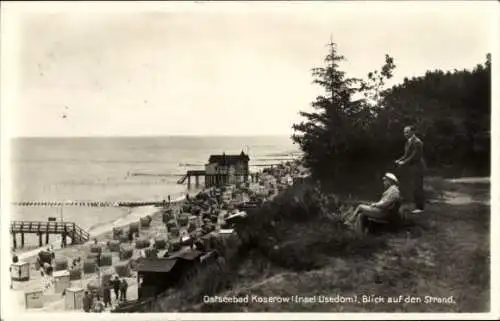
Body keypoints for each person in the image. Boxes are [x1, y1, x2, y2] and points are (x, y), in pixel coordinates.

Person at [395, 125, 426, 213]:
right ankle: (416, 205)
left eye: (407, 132)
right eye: (404, 132)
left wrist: (403, 163)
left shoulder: (417, 142)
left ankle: (420, 208)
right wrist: (399, 160)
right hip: (412, 167)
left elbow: (415, 156)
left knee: (418, 187)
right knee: (413, 186)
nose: (405, 134)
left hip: (418, 167)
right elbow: (406, 155)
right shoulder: (408, 142)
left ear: (413, 132)